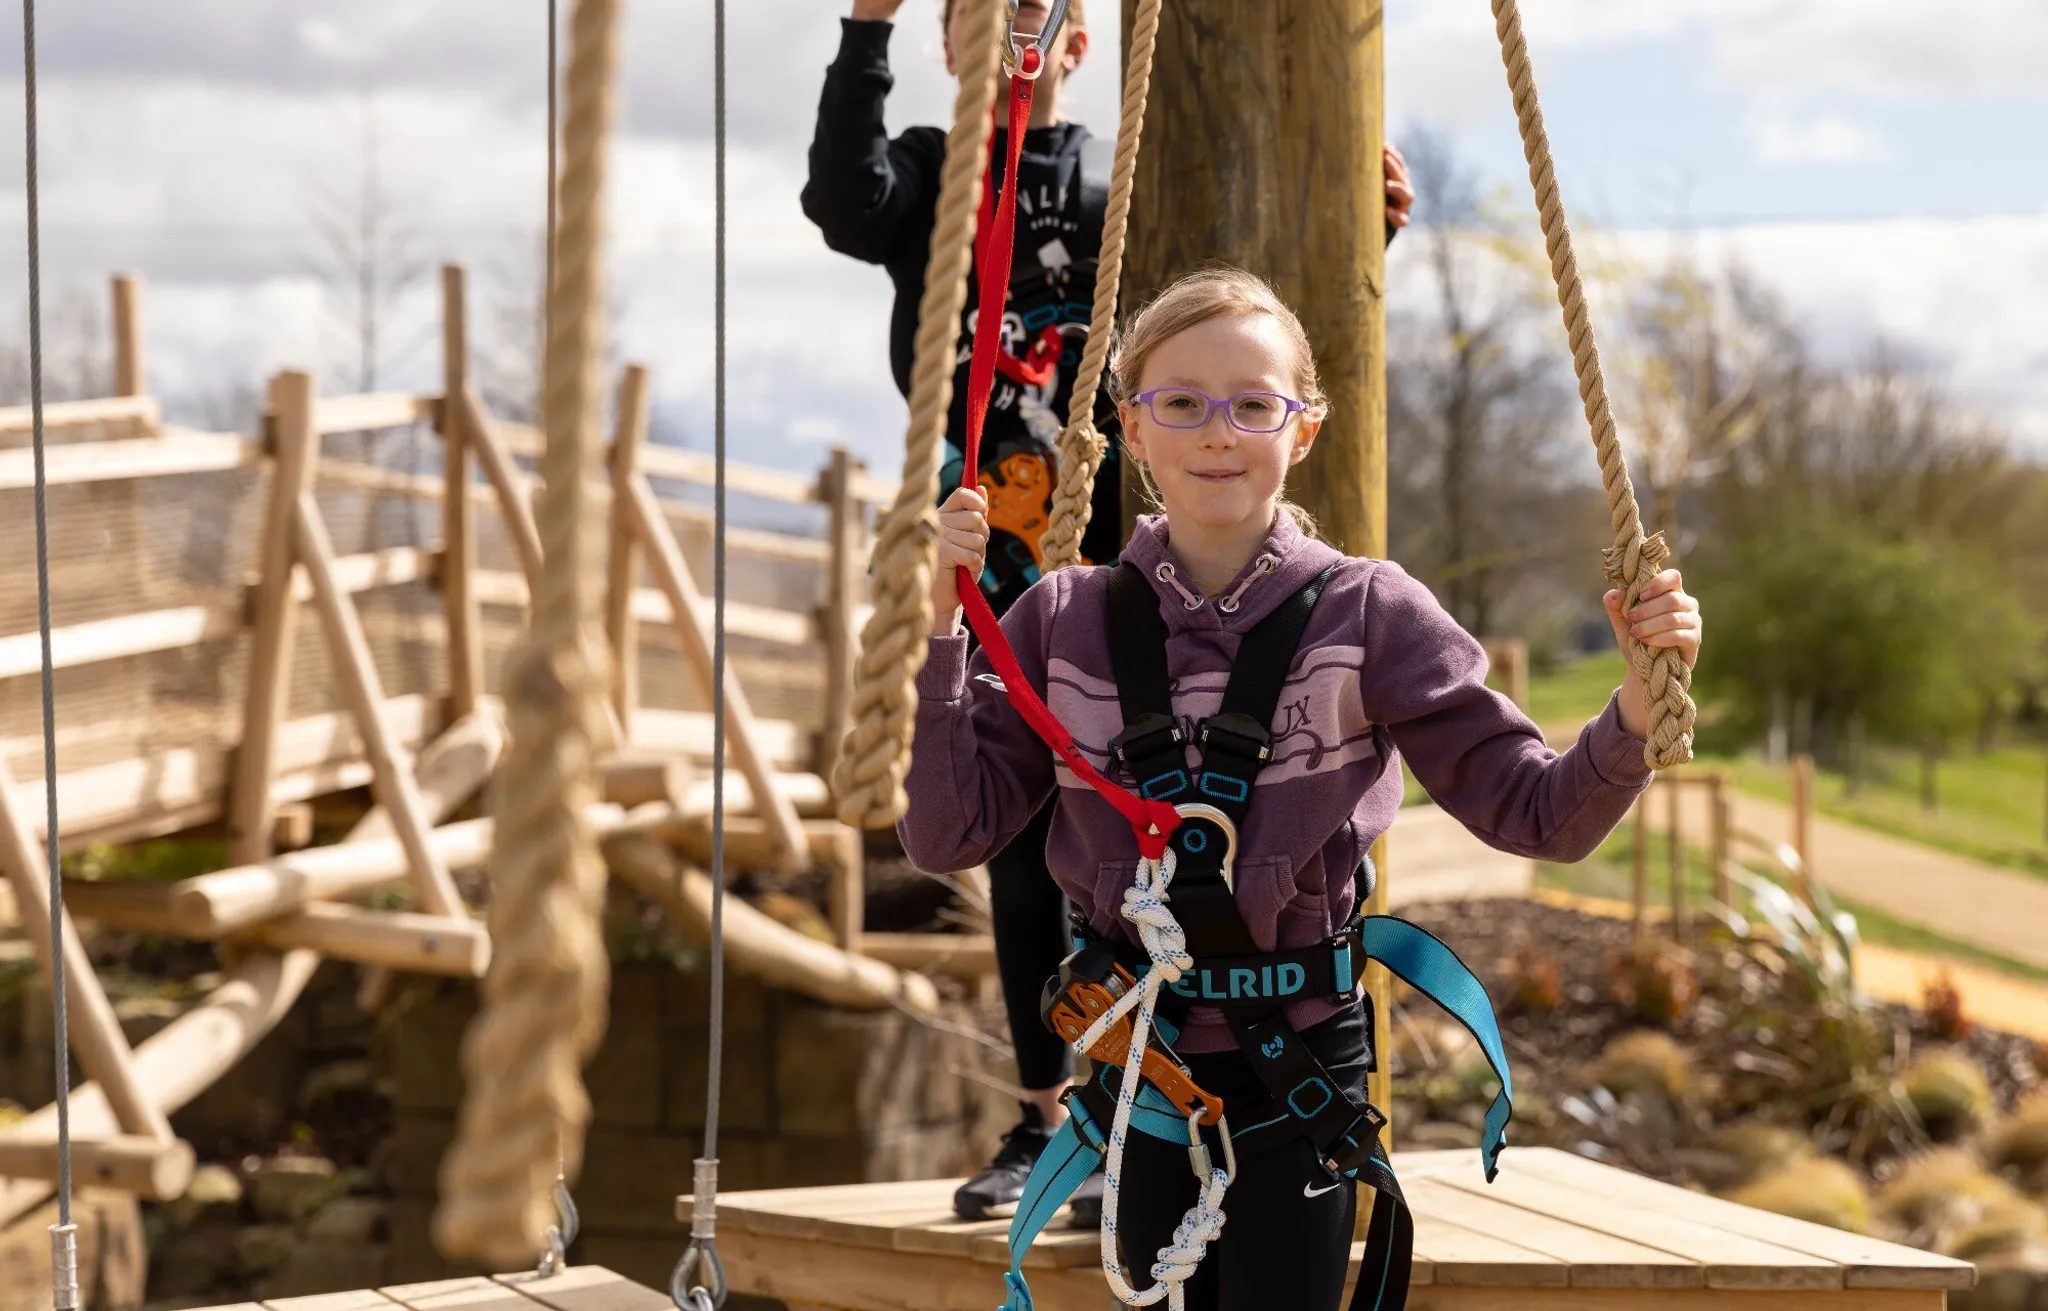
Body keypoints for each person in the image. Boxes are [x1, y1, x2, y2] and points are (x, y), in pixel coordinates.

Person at [898, 265, 1703, 1309]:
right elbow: (947, 833)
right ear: (1131, 432)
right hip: (1143, 1082)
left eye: (1251, 404)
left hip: (1300, 1080)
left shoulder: (1367, 617)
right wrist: (938, 632)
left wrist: (1634, 714)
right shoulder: (1062, 622)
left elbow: (1537, 814)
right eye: (1179, 404)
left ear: (1303, 429)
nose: (1216, 434)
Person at [801, 0, 1417, 1226]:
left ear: (1079, 44)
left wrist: (1356, 224)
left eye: (1033, 13)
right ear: (946, 46)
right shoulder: (929, 170)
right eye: (971, 14)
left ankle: (1187, 1094)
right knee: (1024, 835)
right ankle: (1043, 1120)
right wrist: (864, 25)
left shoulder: (1112, 185)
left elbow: (1218, 343)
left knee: (1166, 823)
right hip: (994, 552)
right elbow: (839, 198)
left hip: (1112, 553)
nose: (1008, 32)